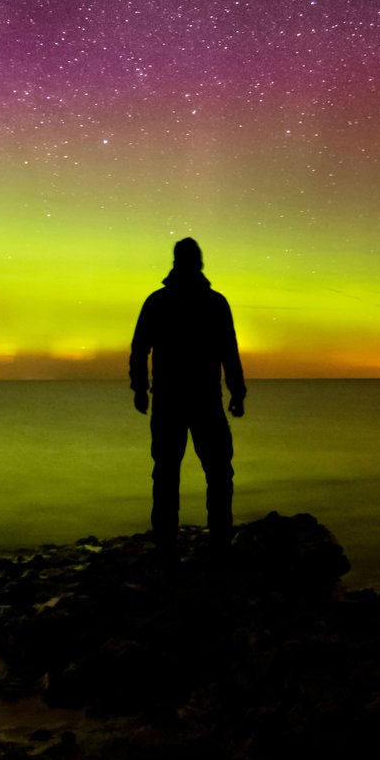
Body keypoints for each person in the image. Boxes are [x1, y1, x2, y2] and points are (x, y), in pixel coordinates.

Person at [129, 237, 246, 553]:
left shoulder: (158, 301)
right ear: (198, 263)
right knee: (216, 472)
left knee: (168, 473)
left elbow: (140, 349)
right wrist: (237, 392)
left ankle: (167, 545)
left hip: (172, 398)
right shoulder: (214, 303)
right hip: (202, 399)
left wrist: (140, 388)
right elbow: (229, 352)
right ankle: (218, 541)